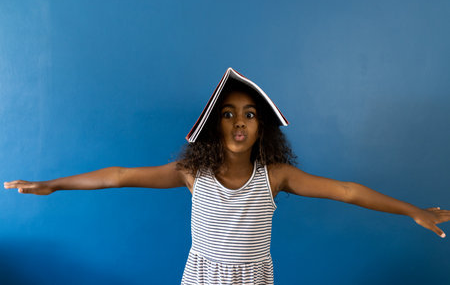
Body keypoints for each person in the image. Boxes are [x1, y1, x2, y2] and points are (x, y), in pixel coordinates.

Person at [4, 69, 450, 285]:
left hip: (254, 277)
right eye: (229, 113)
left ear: (261, 128)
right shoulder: (192, 173)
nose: (239, 122)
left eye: (250, 114)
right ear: (214, 125)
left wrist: (413, 211)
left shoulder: (276, 176)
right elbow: (118, 175)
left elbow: (349, 191)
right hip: (202, 277)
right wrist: (55, 183)